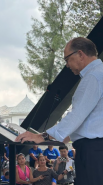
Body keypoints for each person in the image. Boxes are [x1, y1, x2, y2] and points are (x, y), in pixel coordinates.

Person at [15, 37, 103, 185]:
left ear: (80, 54)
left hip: (93, 150)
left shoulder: (93, 77)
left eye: (67, 59)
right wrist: (57, 137)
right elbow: (85, 122)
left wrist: (42, 137)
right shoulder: (97, 74)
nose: (67, 65)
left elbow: (76, 116)